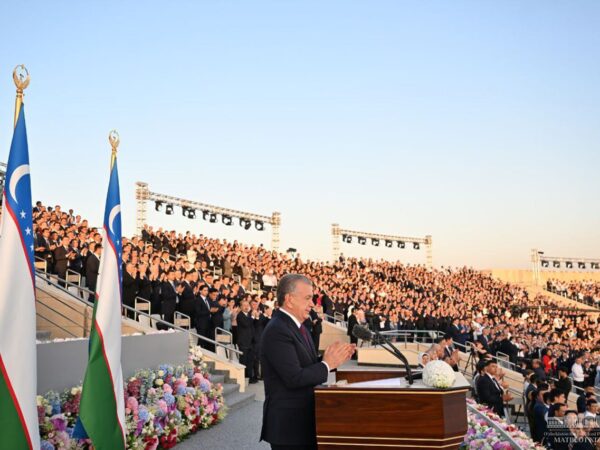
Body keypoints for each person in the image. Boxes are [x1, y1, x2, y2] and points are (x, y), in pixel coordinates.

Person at [260, 274, 355, 449]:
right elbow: (294, 377)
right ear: (289, 300)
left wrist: (333, 360)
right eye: (307, 298)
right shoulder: (278, 330)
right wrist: (326, 364)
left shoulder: (299, 326)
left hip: (303, 423)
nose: (312, 304)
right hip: (289, 428)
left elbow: (306, 365)